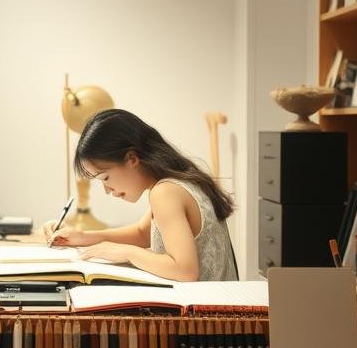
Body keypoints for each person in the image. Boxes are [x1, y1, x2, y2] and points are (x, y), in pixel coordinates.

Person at [42, 109, 237, 282]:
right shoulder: (177, 182)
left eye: (105, 177)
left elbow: (185, 270)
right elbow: (142, 234)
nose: (107, 190)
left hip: (209, 318)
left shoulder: (165, 192)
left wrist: (127, 253)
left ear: (132, 159)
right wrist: (83, 237)